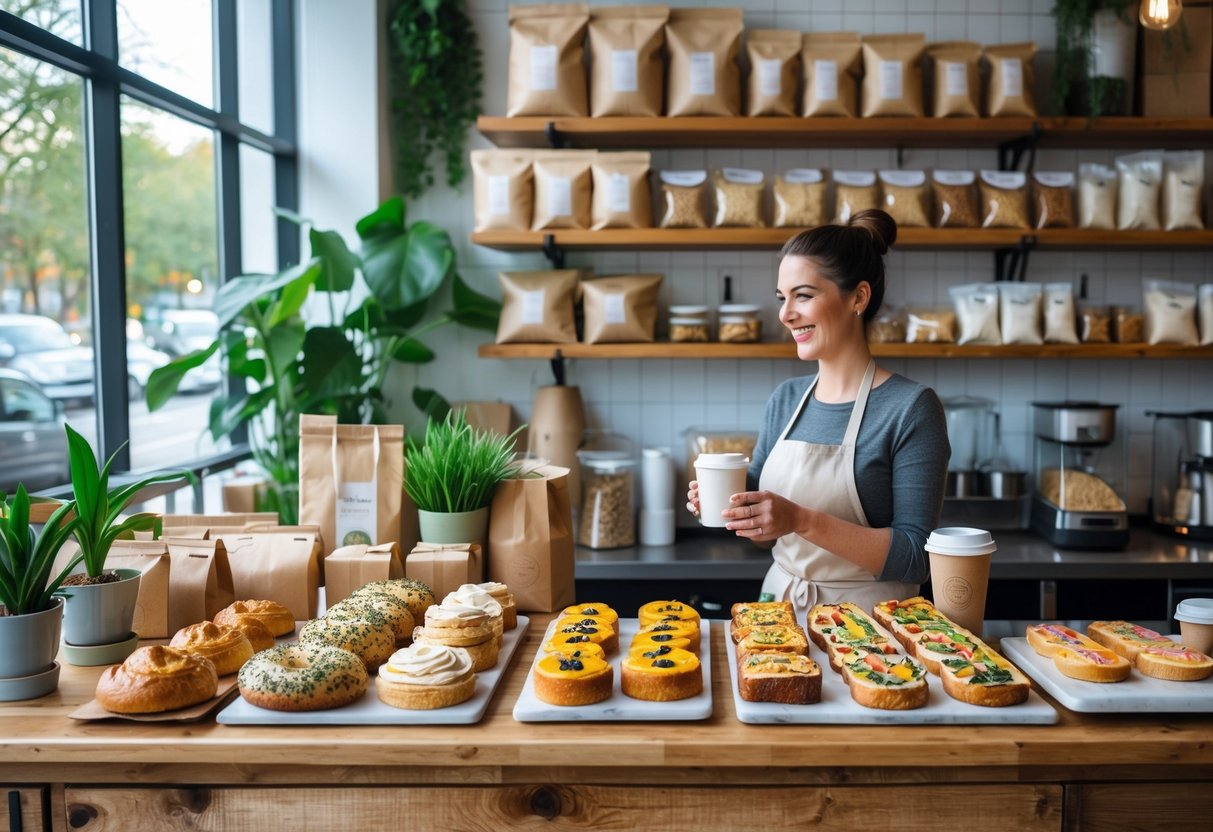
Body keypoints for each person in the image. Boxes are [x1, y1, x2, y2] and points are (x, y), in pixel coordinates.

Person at [686, 209, 950, 619]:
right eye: (782, 298)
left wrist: (801, 519)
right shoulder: (786, 399)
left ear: (858, 298)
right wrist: (729, 510)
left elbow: (917, 557)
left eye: (803, 295)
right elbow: (762, 536)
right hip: (779, 616)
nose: (785, 314)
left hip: (871, 631)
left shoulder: (911, 407)